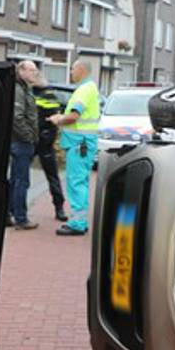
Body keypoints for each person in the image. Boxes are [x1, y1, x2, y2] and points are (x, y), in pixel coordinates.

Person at [50, 60, 101, 236]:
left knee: (76, 182)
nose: (71, 72)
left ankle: (78, 224)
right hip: (84, 142)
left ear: (80, 69)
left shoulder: (83, 90)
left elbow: (73, 116)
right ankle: (80, 220)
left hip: (79, 143)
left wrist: (59, 119)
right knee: (81, 182)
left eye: (72, 69)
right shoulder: (91, 88)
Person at [8, 61, 41, 230]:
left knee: (15, 180)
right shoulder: (19, 90)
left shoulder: (24, 88)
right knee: (22, 181)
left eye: (36, 70)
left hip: (20, 141)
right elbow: (17, 117)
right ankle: (21, 218)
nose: (35, 73)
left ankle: (9, 214)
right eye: (32, 70)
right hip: (21, 142)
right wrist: (29, 137)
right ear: (21, 71)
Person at [31, 74, 68, 222]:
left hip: (42, 140)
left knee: (51, 176)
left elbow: (53, 119)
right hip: (41, 140)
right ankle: (59, 209)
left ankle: (59, 207)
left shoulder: (47, 95)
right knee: (52, 176)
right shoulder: (32, 94)